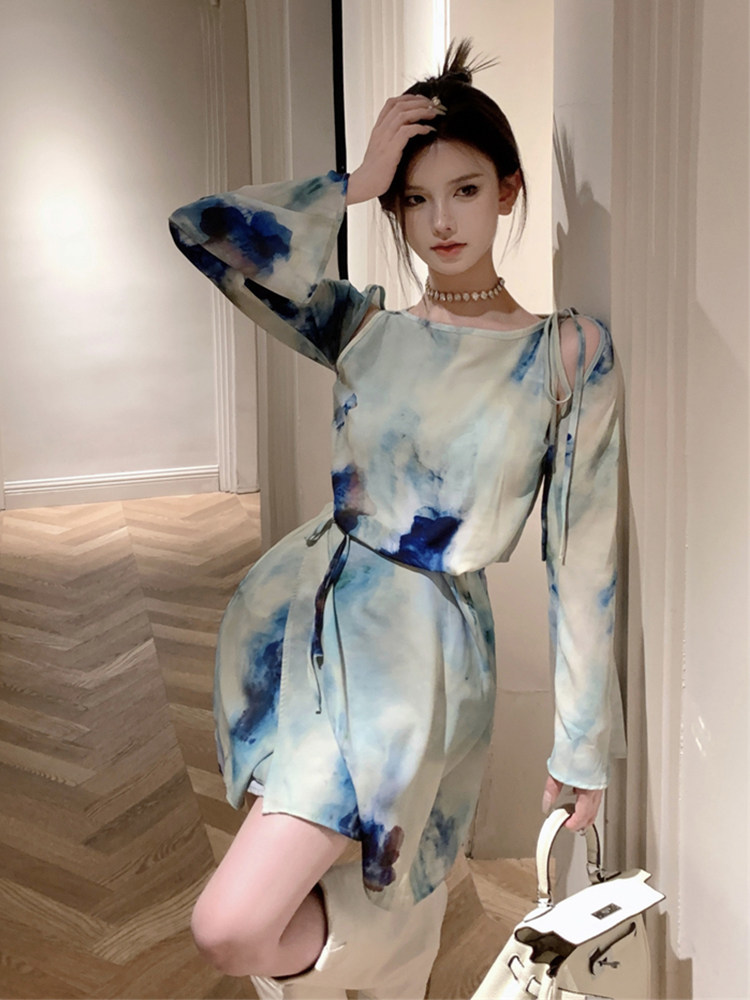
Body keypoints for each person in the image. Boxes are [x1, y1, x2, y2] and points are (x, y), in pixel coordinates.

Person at [168, 38, 623, 1000]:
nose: (440, 220)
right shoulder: (365, 326)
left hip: (419, 656)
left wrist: (580, 745)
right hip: (304, 626)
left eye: (464, 190)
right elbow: (204, 231)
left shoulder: (565, 353)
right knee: (307, 892)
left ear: (508, 191)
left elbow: (582, 561)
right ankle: (394, 965)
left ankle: (391, 957)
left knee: (235, 923)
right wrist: (354, 180)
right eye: (414, 200)